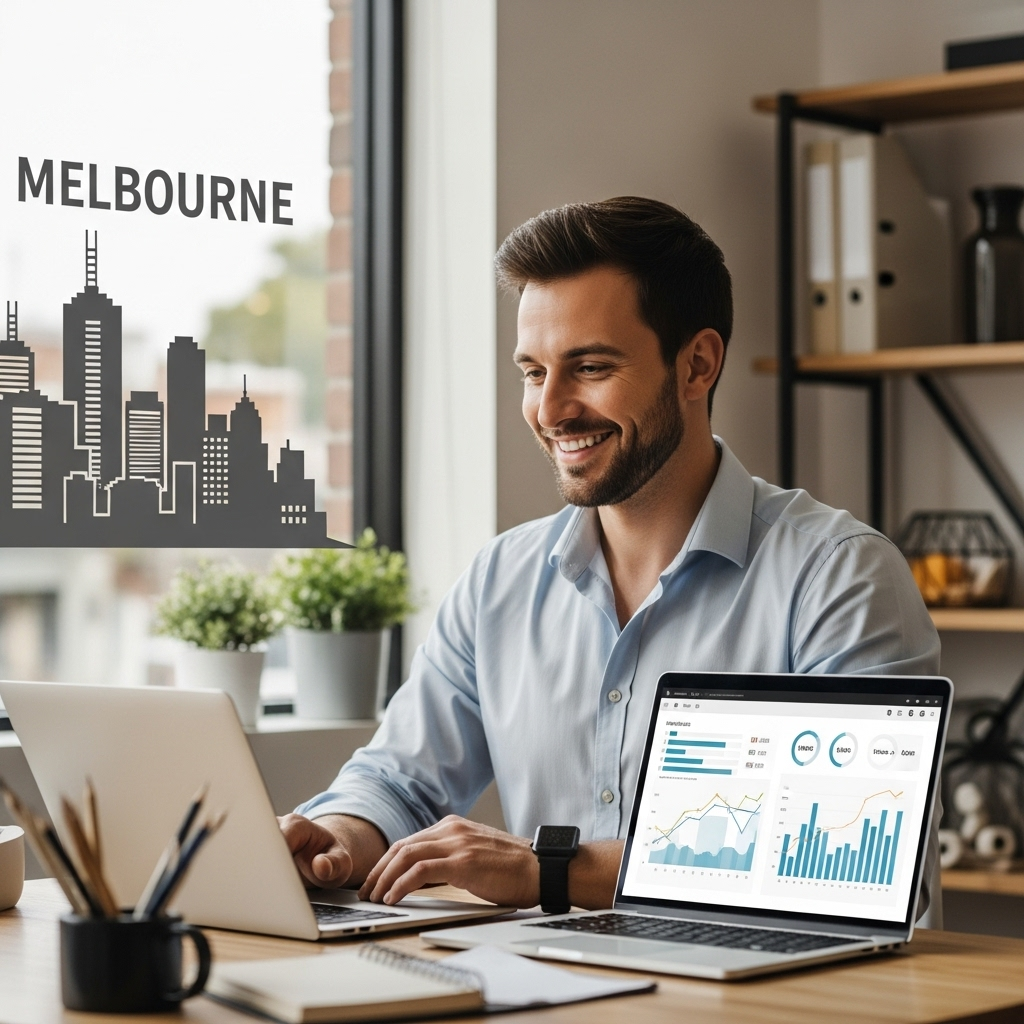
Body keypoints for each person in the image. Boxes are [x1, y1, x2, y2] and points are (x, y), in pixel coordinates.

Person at [279, 196, 940, 916]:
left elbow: (856, 858)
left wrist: (549, 871)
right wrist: (337, 837)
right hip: (547, 971)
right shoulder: (500, 581)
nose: (550, 410)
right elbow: (399, 782)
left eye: (590, 367)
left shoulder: (840, 576)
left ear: (697, 365)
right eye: (534, 372)